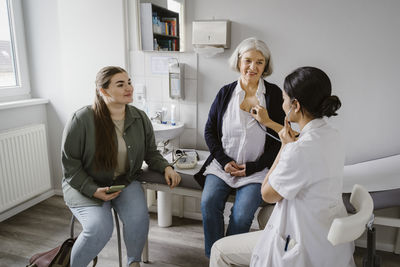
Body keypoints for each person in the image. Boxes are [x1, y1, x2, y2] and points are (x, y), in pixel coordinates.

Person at [209, 66, 355, 267]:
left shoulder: (299, 150)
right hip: (327, 230)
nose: (282, 103)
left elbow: (267, 194)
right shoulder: (333, 136)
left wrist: (284, 148)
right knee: (265, 214)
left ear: (295, 105)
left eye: (285, 99)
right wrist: (272, 126)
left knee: (219, 250)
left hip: (303, 242)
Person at [61, 66, 181, 267]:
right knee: (99, 228)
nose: (129, 88)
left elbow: (151, 152)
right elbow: (70, 166)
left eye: (129, 82)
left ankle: (133, 262)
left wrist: (166, 167)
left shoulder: (140, 117)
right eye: (121, 84)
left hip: (122, 182)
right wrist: (93, 190)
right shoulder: (81, 119)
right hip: (84, 185)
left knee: (139, 220)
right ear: (103, 91)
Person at [194, 37, 286, 258]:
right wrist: (224, 161)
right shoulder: (226, 92)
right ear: (238, 61)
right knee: (209, 204)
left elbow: (281, 141)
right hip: (223, 165)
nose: (252, 67)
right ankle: (214, 257)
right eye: (248, 60)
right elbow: (209, 131)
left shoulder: (273, 95)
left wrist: (254, 166)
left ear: (266, 66)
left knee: (242, 215)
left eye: (259, 62)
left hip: (257, 171)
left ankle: (231, 257)